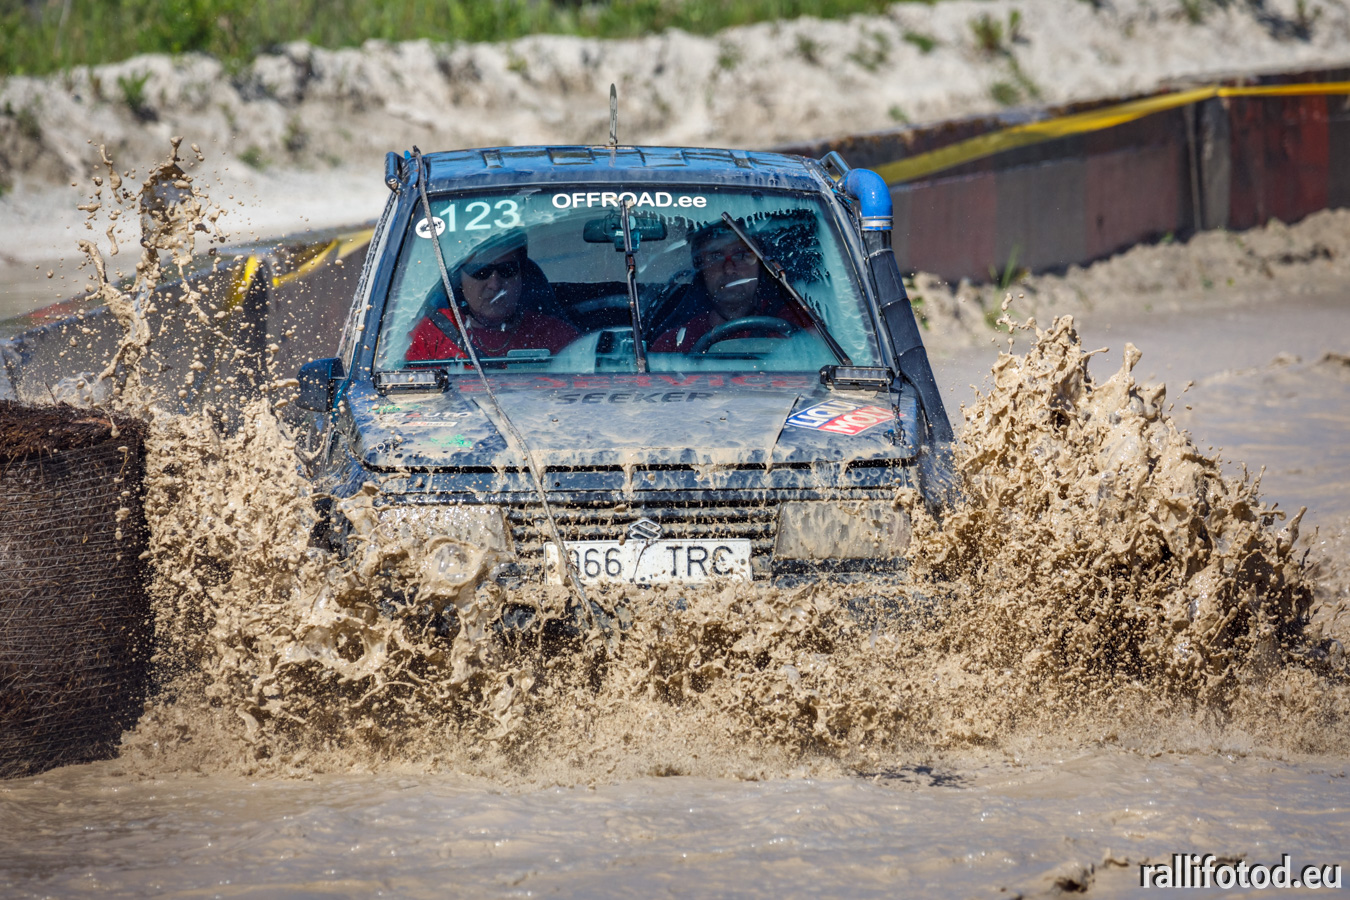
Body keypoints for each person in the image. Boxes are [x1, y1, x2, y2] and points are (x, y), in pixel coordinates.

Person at [405, 233, 578, 361]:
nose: (495, 285)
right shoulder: (429, 333)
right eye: (480, 271)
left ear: (522, 277)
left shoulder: (556, 335)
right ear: (458, 282)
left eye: (506, 270)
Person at [650, 223, 812, 353]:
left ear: (761, 264)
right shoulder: (675, 344)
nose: (728, 269)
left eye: (741, 255)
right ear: (701, 268)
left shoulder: (799, 323)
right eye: (716, 256)